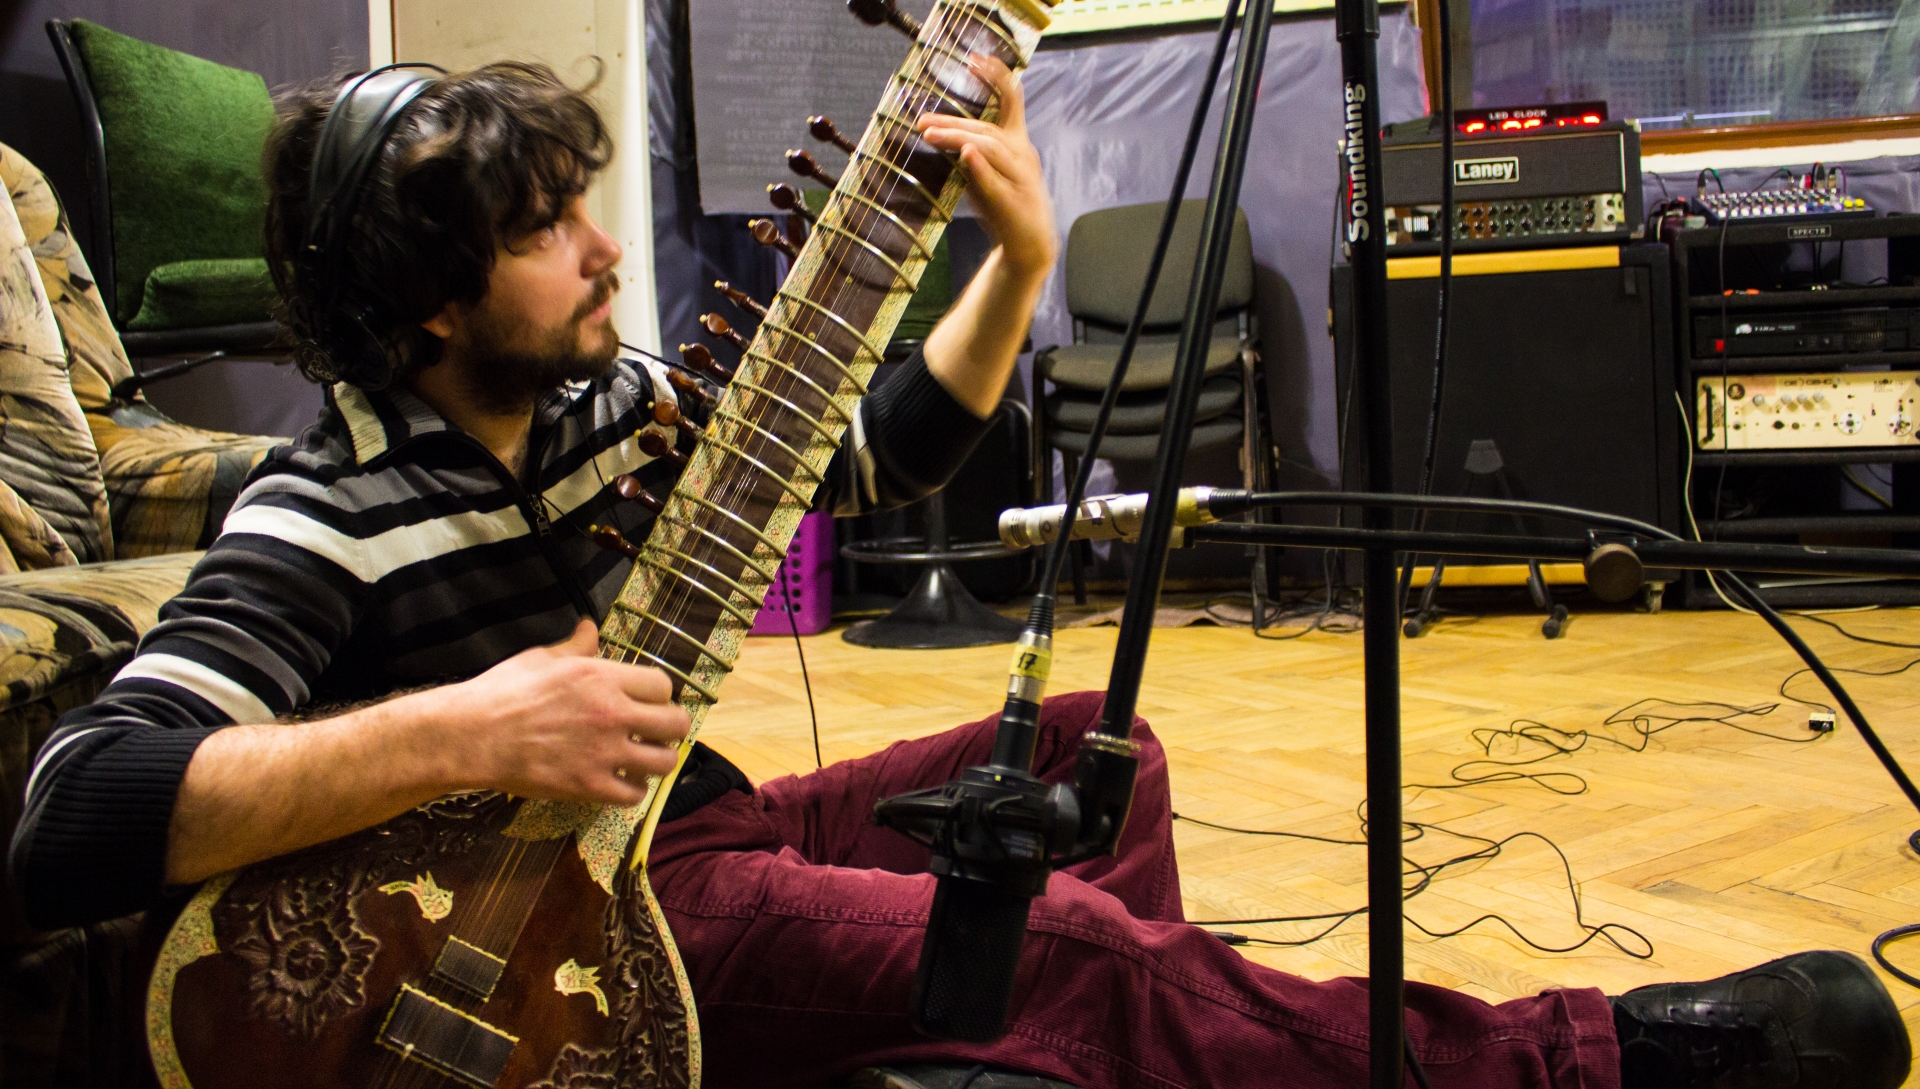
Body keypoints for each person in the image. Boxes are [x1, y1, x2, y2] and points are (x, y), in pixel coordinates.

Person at [10, 59, 1909, 1089]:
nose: (603, 250)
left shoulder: (603, 410)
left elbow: (876, 460)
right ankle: (1592, 1065)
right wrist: (465, 729)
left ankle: (1038, 1060)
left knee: (1097, 763)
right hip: (572, 938)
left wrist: (1016, 262)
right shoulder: (320, 516)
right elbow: (72, 814)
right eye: (545, 230)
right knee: (1073, 947)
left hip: (694, 826)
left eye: (585, 203)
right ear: (428, 302)